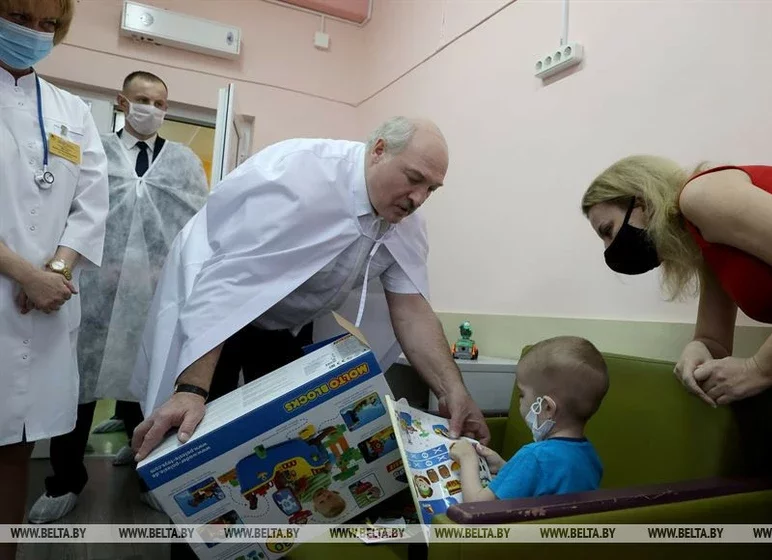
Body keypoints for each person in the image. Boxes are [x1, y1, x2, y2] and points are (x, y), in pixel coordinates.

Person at [129, 117, 491, 465]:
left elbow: (412, 311)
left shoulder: (405, 221)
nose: (418, 198)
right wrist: (191, 390)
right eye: (414, 179)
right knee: (197, 425)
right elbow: (228, 283)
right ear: (379, 150)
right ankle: (153, 464)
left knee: (285, 427)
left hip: (288, 321)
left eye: (431, 189)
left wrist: (452, 392)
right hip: (219, 309)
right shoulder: (298, 178)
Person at [581, 156, 772, 559]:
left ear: (642, 202)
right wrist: (696, 349)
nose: (610, 249)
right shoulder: (706, 242)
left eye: (608, 230)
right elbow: (713, 340)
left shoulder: (703, 195)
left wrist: (760, 369)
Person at [27, 70, 209, 524]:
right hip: (92, 291)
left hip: (155, 295)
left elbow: (197, 224)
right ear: (122, 102)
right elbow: (71, 213)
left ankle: (149, 473)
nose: (152, 109)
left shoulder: (183, 162)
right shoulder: (96, 152)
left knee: (146, 383)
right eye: (143, 100)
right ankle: (66, 481)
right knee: (79, 387)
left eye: (160, 104)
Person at [0, 0, 109, 556]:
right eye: (20, 17)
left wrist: (57, 269)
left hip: (45, 303)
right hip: (24, 290)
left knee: (15, 447)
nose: (34, 33)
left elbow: (92, 203)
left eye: (48, 24)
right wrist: (24, 273)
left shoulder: (71, 111)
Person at [450, 336, 607, 502]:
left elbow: (477, 505)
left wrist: (468, 458)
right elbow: (545, 486)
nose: (519, 400)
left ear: (547, 407)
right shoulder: (590, 458)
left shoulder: (533, 456)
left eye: (522, 394)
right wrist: (505, 468)